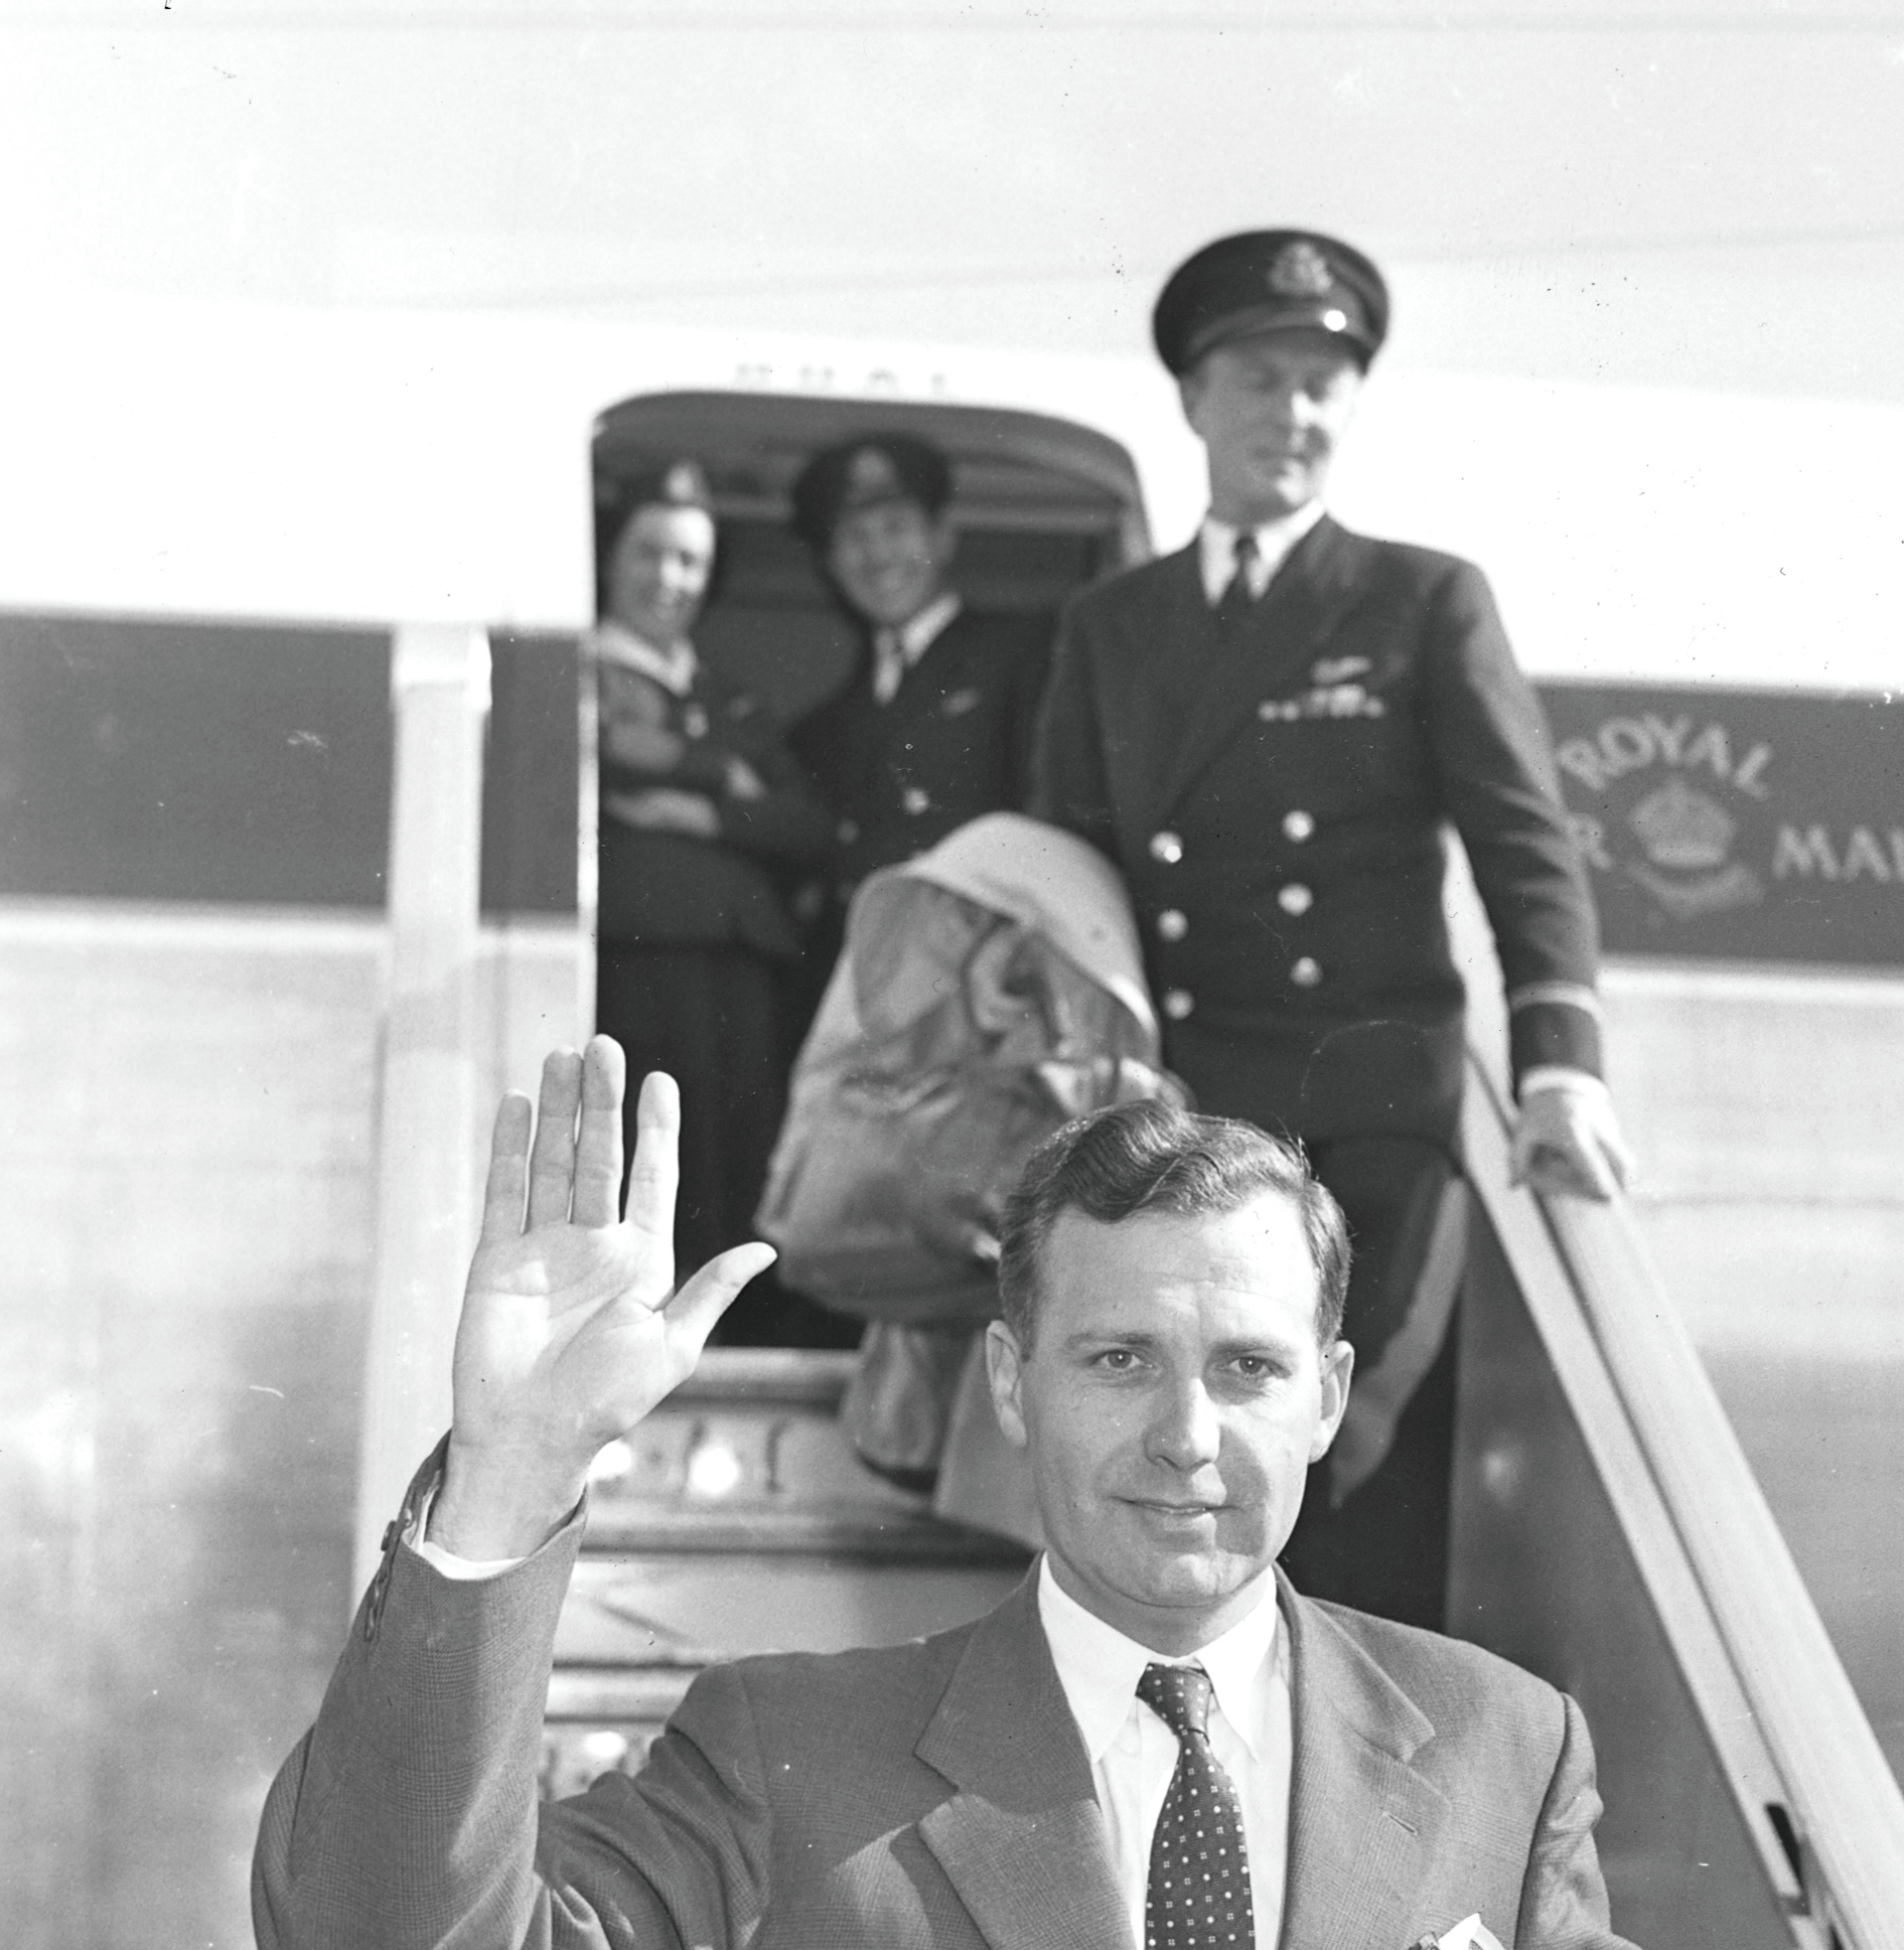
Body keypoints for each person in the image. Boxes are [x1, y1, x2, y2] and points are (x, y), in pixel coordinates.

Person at [250, 1039, 1636, 1950]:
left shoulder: (1502, 1749)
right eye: (1119, 1356)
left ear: (1329, 1394)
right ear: (1013, 1380)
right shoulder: (777, 1752)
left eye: (1249, 1366)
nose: (1188, 1433)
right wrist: (508, 1474)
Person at [1031, 229, 1634, 1629]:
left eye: (1320, 383)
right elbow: (1070, 864)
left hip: (1371, 1116)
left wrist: (1561, 1061)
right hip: (1186, 1110)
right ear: (1194, 400)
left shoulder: (1419, 598)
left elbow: (1524, 840)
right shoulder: (1112, 624)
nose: (1289, 414)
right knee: (1174, 1439)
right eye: (1258, 378)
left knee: (1339, 1450)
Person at [587, 459, 835, 1343]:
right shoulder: (587, 674)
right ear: (609, 559)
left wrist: (697, 800)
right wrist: (729, 780)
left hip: (743, 958)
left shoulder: (724, 693)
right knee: (659, 1155)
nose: (668, 579)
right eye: (649, 552)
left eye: (689, 561)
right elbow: (613, 754)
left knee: (737, 1159)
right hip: (642, 951)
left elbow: (807, 824)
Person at [784, 429, 1056, 994]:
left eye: (895, 528)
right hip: (857, 987)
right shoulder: (822, 725)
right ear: (830, 562)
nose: (877, 554)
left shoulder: (1022, 655)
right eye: (853, 536)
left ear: (943, 536)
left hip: (976, 980)